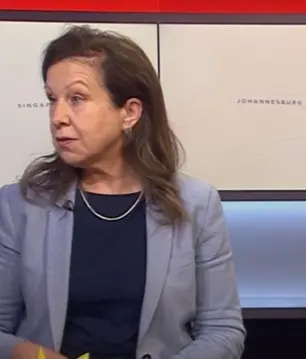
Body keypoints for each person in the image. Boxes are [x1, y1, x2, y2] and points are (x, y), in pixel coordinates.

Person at [0, 25, 245, 359]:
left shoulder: (196, 204)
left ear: (129, 112)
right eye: (52, 99)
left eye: (77, 99)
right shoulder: (20, 205)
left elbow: (223, 331)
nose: (58, 117)